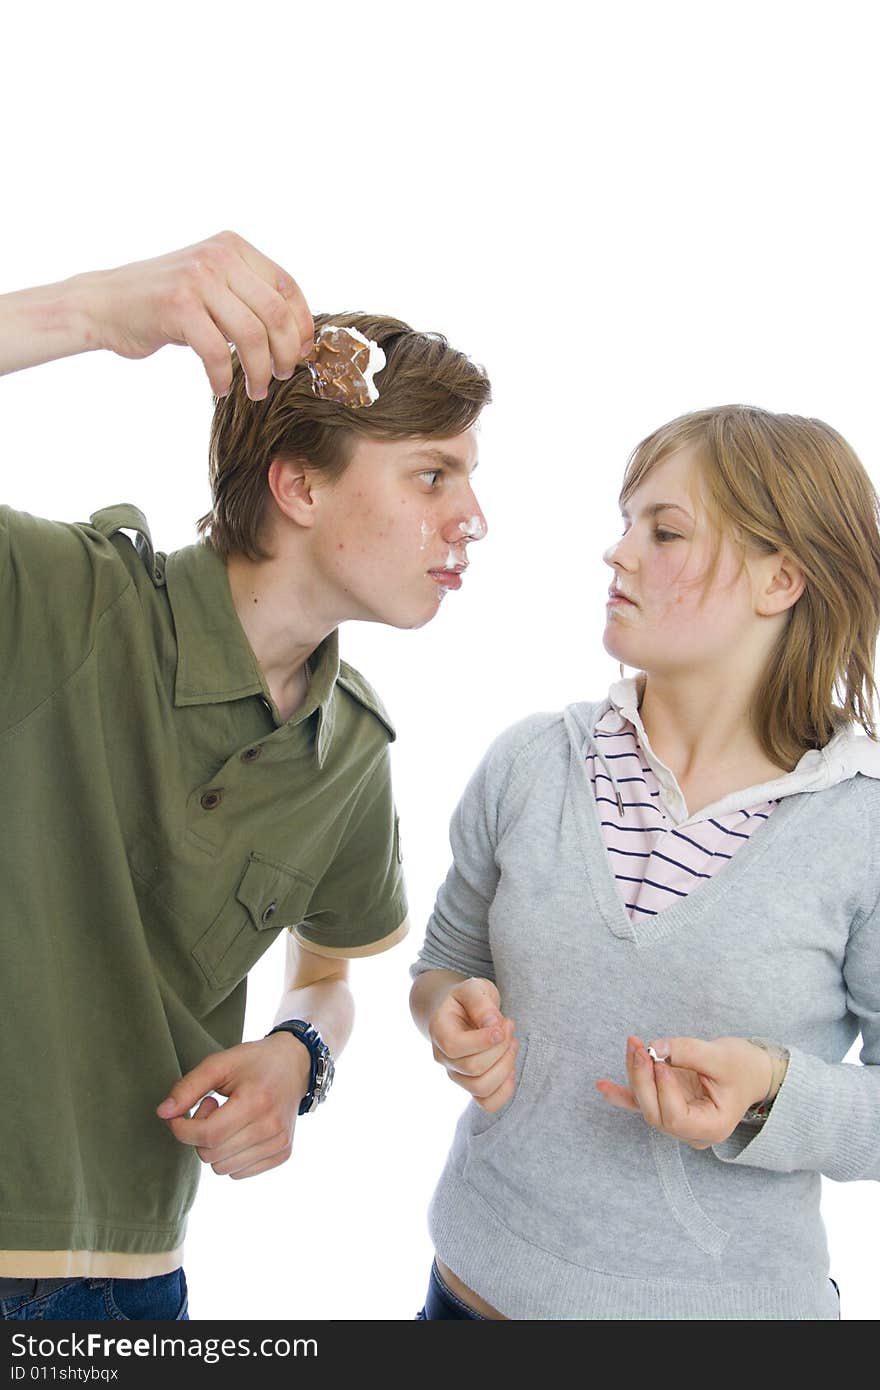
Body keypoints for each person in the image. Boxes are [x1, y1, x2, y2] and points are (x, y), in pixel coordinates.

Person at [0, 231, 490, 1321]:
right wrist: (91, 309)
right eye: (431, 474)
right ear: (298, 489)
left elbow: (330, 972)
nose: (472, 518)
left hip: (136, 1284)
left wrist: (296, 1052)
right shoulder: (59, 605)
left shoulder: (349, 745)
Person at [410, 404, 880, 1320]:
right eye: (627, 523)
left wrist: (772, 1094)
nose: (617, 553)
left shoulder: (861, 827)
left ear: (780, 579)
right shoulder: (531, 761)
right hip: (468, 1299)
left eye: (663, 530)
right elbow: (445, 963)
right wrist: (446, 1011)